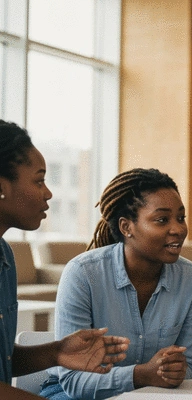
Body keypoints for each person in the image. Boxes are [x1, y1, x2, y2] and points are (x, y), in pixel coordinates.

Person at [40, 167, 192, 399]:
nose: (178, 229)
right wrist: (140, 375)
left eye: (181, 218)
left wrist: (174, 371)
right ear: (126, 227)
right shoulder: (83, 274)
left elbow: (187, 370)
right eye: (162, 220)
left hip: (151, 393)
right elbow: (73, 381)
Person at [0, 120, 130, 400]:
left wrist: (58, 352)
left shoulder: (4, 257)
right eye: (39, 180)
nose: (48, 193)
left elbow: (3, 360)